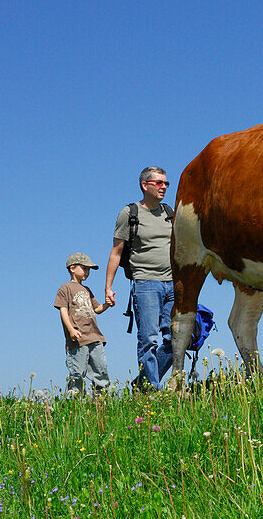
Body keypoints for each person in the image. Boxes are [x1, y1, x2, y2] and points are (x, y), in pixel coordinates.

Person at [104, 166, 174, 390]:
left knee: (177, 339)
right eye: (159, 183)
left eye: (166, 183)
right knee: (149, 340)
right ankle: (151, 391)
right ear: (145, 185)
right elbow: (116, 252)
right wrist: (108, 287)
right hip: (145, 283)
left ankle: (142, 383)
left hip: (173, 283)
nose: (164, 187)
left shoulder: (169, 213)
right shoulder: (129, 213)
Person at [55, 253, 112, 394]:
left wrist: (107, 304)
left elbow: (97, 309)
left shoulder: (87, 290)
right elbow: (63, 311)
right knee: (77, 372)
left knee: (101, 368)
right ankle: (75, 401)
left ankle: (101, 399)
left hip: (95, 336)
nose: (87, 272)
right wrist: (71, 330)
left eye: (89, 270)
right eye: (84, 268)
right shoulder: (65, 289)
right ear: (72, 268)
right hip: (78, 338)